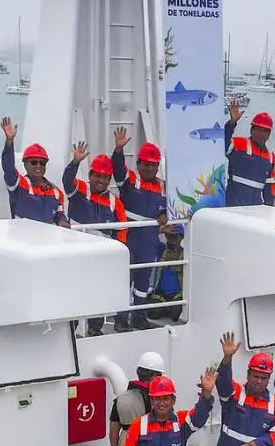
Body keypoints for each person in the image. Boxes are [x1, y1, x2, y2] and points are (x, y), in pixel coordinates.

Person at [62, 147, 132, 334]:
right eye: (97, 176)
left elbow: (122, 227)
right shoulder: (79, 190)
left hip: (101, 256)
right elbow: (66, 181)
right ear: (90, 175)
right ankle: (72, 326)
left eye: (105, 177)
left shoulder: (114, 201)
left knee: (98, 291)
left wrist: (118, 250)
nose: (101, 180)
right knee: (76, 290)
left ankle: (95, 327)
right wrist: (75, 162)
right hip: (77, 252)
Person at [110, 129, 168, 328]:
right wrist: (118, 149)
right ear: (138, 164)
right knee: (124, 279)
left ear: (157, 166)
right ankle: (120, 320)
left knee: (143, 281)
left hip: (149, 239)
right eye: (146, 164)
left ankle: (139, 317)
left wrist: (164, 214)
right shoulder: (130, 180)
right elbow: (117, 168)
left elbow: (168, 207)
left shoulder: (163, 186)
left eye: (153, 165)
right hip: (129, 237)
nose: (149, 168)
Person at [0, 117, 69, 225]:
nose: (38, 165)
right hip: (21, 239)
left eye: (42, 162)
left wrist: (62, 221)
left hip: (46, 241)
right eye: (34, 162)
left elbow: (59, 214)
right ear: (25, 164)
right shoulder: (19, 185)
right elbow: (8, 167)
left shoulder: (56, 192)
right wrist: (9, 142)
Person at [222, 103, 275, 207]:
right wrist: (232, 123)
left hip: (255, 210)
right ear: (251, 130)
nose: (261, 133)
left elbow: (270, 186)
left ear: (269, 134)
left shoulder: (270, 156)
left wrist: (269, 208)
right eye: (258, 129)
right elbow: (221, 144)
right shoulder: (239, 144)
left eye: (265, 131)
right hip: (233, 207)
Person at [147, 223, 185, 322]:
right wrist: (162, 230)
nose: (171, 239)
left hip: (178, 294)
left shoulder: (186, 253)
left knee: (176, 314)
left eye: (175, 236)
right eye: (169, 236)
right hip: (161, 294)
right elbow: (149, 237)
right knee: (153, 313)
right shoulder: (162, 249)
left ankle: (169, 308)